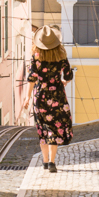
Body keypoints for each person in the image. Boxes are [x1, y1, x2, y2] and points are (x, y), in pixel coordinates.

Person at [21, 25, 73, 172]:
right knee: (54, 128)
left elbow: (32, 78)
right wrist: (63, 82)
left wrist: (27, 97)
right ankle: (52, 162)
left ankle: (44, 162)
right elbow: (68, 75)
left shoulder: (36, 57)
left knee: (43, 129)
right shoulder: (61, 55)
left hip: (41, 96)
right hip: (57, 95)